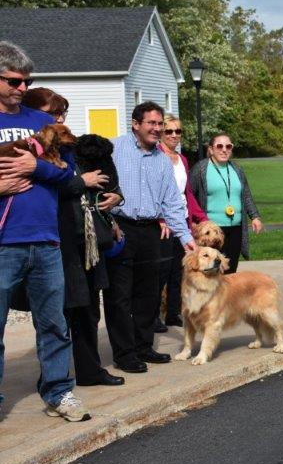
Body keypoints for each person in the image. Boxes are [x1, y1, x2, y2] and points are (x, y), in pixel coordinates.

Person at [0, 41, 90, 421]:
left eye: (27, 82)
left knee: (54, 323)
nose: (22, 88)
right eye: (14, 81)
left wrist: (35, 168)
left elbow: (69, 175)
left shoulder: (43, 124)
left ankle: (58, 392)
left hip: (47, 240)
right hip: (4, 243)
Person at [23, 87, 125, 387]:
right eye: (53, 113)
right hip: (57, 241)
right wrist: (81, 181)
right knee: (57, 315)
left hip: (86, 242)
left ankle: (90, 371)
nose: (60, 118)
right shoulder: (32, 153)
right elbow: (53, 188)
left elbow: (103, 179)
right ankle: (54, 378)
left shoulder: (71, 149)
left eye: (62, 112)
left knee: (88, 310)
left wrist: (115, 198)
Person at [106, 102, 195, 374]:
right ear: (136, 124)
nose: (157, 129)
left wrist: (184, 236)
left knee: (148, 294)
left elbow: (172, 202)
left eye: (160, 124)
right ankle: (124, 353)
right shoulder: (114, 148)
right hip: (119, 228)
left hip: (151, 231)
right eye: (152, 124)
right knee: (119, 295)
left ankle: (144, 346)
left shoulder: (161, 160)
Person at [154, 115, 207, 332]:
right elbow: (154, 193)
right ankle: (154, 315)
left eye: (178, 131)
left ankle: (173, 313)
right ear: (161, 134)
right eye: (169, 131)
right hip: (163, 222)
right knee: (160, 272)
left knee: (178, 270)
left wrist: (199, 216)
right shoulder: (155, 157)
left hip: (182, 220)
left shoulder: (181, 159)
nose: (174, 135)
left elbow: (187, 194)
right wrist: (160, 218)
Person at [188, 133, 262, 275]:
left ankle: (227, 297)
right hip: (212, 231)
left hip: (235, 228)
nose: (224, 150)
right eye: (219, 146)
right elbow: (189, 196)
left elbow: (246, 195)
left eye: (228, 146)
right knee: (211, 270)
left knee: (230, 269)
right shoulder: (200, 169)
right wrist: (194, 222)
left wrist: (255, 216)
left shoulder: (237, 169)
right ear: (211, 149)